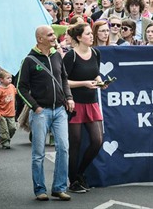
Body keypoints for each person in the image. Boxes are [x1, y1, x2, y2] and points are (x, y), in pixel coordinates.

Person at [18, 25, 75, 201]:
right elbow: (21, 88)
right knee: (38, 153)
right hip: (41, 112)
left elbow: (64, 78)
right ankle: (40, 189)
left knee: (64, 148)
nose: (54, 37)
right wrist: (35, 107)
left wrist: (69, 97)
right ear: (40, 39)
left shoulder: (57, 55)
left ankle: (59, 187)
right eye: (50, 35)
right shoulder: (29, 60)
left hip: (60, 110)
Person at [63, 23, 107, 192]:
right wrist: (84, 84)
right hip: (75, 103)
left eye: (91, 33)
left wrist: (100, 81)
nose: (91, 36)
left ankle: (80, 173)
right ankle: (73, 180)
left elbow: (95, 73)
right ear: (79, 38)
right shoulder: (71, 56)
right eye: (88, 34)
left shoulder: (96, 52)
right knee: (75, 142)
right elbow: (63, 81)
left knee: (97, 141)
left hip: (92, 102)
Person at [0, 70, 17, 149]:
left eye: (10, 78)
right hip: (2, 113)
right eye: (8, 78)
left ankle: (7, 137)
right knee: (4, 129)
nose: (10, 79)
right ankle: (5, 142)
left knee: (12, 128)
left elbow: (17, 93)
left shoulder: (12, 87)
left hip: (11, 113)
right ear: (1, 80)